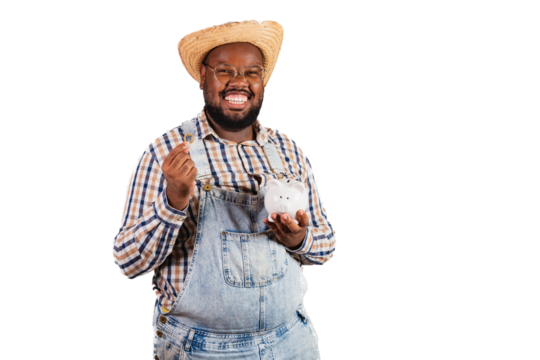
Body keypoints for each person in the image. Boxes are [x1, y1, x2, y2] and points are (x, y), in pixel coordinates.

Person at [112, 18, 336, 359]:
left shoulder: (288, 149)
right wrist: (174, 201)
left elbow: (326, 247)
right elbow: (128, 264)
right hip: (200, 349)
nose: (239, 82)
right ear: (203, 75)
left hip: (293, 342)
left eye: (251, 72)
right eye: (224, 71)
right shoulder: (166, 151)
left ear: (262, 80)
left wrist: (298, 240)